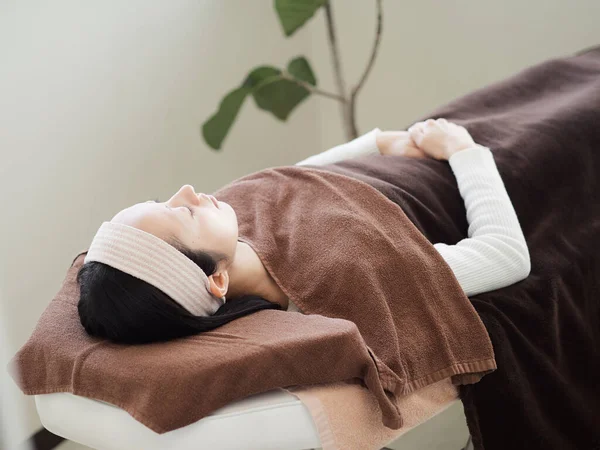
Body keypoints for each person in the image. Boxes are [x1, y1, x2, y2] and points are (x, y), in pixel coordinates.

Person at [77, 119, 530, 343]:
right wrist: (464, 150)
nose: (190, 191)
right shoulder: (345, 278)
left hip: (417, 149)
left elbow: (291, 177)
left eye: (163, 200)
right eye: (184, 215)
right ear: (215, 280)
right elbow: (506, 254)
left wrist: (379, 144)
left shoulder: (230, 212)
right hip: (489, 172)